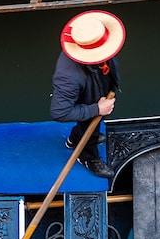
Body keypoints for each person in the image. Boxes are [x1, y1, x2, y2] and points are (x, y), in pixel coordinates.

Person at [51, 10, 124, 175]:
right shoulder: (68, 77)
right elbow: (59, 112)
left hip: (98, 86)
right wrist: (97, 109)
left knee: (93, 124)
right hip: (87, 98)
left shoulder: (95, 40)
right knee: (91, 124)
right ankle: (87, 157)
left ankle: (73, 139)